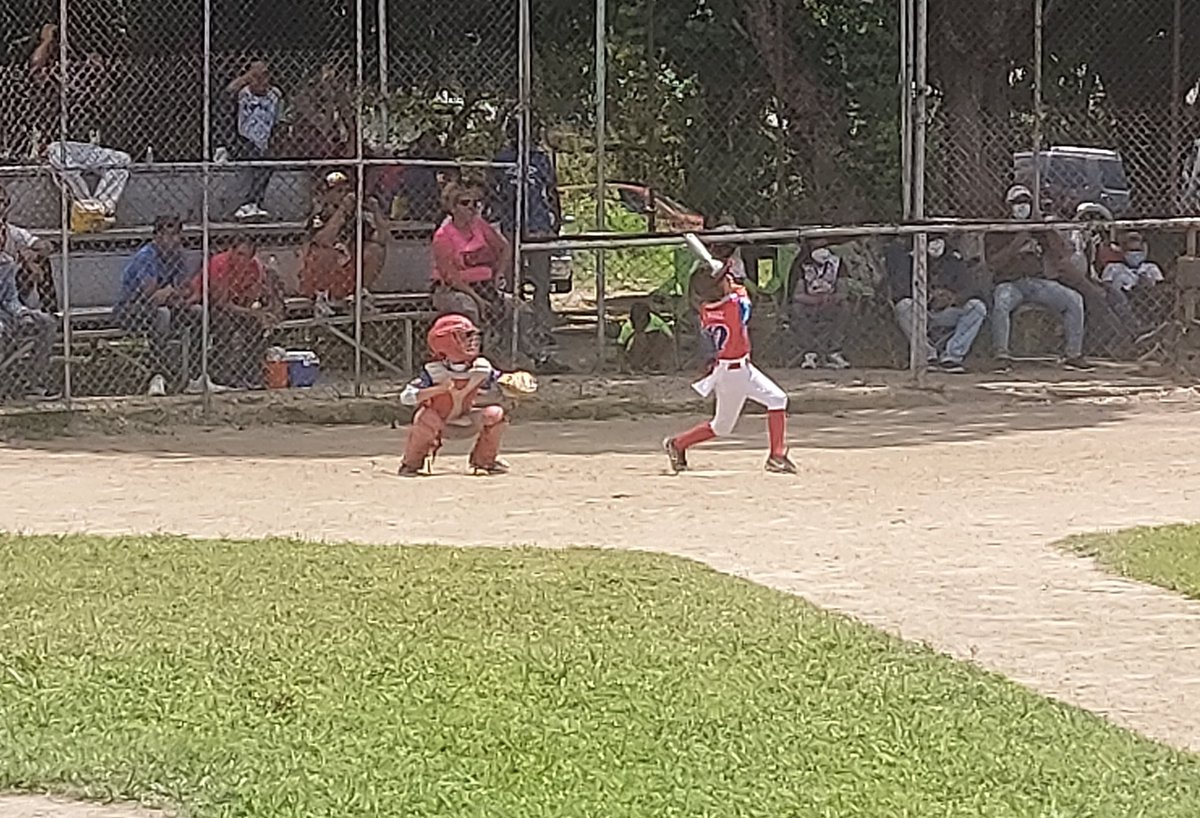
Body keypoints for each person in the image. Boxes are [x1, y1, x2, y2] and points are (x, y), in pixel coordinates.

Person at [663, 244, 795, 475]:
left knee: (775, 400)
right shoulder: (734, 306)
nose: (730, 279)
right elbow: (743, 299)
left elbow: (730, 293)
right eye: (725, 279)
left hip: (737, 369)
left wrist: (722, 279)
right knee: (723, 426)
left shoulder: (706, 309)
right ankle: (678, 443)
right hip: (733, 373)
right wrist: (728, 281)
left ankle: (776, 455)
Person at [30, 24, 129, 225]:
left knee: (121, 159)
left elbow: (103, 98)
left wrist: (100, 72)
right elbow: (35, 68)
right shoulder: (51, 85)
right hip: (57, 144)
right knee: (59, 155)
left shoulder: (86, 89)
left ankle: (101, 207)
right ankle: (87, 208)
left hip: (84, 146)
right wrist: (46, 41)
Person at [985, 185, 1091, 371]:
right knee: (1001, 301)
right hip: (1010, 283)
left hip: (1037, 283)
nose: (1022, 206)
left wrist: (1045, 228)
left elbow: (1062, 253)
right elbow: (993, 263)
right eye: (1017, 202)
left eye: (1026, 202)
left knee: (1074, 300)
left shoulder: (1037, 228)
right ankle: (1001, 354)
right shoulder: (998, 229)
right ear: (1008, 205)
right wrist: (1018, 241)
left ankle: (1073, 354)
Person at [399, 314, 508, 477]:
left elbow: (501, 381)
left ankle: (485, 461)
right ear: (446, 342)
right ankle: (412, 463)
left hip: (467, 419)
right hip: (439, 423)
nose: (472, 341)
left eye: (473, 336)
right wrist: (438, 389)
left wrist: (513, 383)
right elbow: (406, 397)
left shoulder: (482, 367)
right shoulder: (433, 371)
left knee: (495, 414)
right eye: (465, 337)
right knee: (426, 417)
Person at [491, 118, 561, 350]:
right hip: (511, 225)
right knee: (512, 281)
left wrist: (555, 220)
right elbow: (494, 190)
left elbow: (551, 191)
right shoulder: (502, 159)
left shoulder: (540, 159)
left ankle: (542, 328)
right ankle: (513, 330)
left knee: (542, 281)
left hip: (538, 224)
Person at [114, 215, 199, 396]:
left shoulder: (179, 255)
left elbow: (186, 290)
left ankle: (195, 376)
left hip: (165, 306)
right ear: (157, 236)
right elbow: (151, 295)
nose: (173, 240)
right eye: (167, 235)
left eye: (176, 234)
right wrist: (172, 291)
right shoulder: (147, 256)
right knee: (162, 314)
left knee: (198, 312)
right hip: (131, 309)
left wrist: (170, 292)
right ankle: (157, 375)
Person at [886, 235, 987, 374]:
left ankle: (952, 356)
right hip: (921, 311)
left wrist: (952, 298)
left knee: (977, 307)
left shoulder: (954, 260)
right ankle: (927, 355)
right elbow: (900, 289)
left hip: (948, 311)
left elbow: (970, 289)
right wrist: (927, 297)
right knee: (903, 306)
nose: (935, 243)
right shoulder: (908, 258)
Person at [196, 235, 283, 389]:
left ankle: (247, 371)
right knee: (225, 323)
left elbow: (250, 299)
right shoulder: (220, 264)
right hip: (207, 303)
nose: (242, 260)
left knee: (255, 325)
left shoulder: (254, 267)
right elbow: (220, 302)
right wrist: (253, 313)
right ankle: (220, 372)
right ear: (232, 251)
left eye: (247, 256)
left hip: (235, 306)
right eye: (239, 254)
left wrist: (264, 312)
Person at [299, 171, 387, 314]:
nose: (344, 195)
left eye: (346, 191)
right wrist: (342, 211)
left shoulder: (356, 218)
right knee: (326, 252)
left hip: (347, 273)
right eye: (339, 191)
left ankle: (360, 295)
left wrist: (376, 212)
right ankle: (322, 298)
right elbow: (324, 240)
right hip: (321, 276)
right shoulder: (319, 216)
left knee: (375, 249)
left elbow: (382, 239)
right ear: (326, 194)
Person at [431, 179, 512, 327]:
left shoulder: (480, 225)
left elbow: (504, 248)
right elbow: (451, 277)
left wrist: (499, 273)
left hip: (485, 286)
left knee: (518, 308)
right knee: (469, 308)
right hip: (455, 289)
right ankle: (472, 348)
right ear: (453, 208)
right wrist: (477, 299)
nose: (472, 207)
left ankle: (514, 348)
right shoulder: (443, 235)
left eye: (475, 203)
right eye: (465, 203)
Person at [0, 218, 57, 399]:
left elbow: (10, 298)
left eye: (2, 234)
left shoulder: (6, 263)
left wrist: (21, 312)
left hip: (5, 310)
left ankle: (32, 382)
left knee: (47, 323)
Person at [227, 61, 282, 221]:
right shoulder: (243, 93)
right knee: (257, 157)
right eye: (257, 76)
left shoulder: (275, 95)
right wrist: (248, 77)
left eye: (264, 75)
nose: (261, 80)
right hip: (241, 139)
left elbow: (280, 121)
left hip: (264, 140)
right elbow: (228, 91)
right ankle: (250, 203)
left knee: (267, 160)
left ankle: (252, 204)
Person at [788, 239, 851, 369]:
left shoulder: (837, 263)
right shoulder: (800, 264)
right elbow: (797, 295)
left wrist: (831, 298)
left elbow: (843, 291)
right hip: (808, 303)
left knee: (844, 307)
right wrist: (815, 300)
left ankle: (834, 352)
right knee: (797, 309)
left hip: (830, 303)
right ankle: (809, 353)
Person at [0, 186, 57, 313]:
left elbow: (47, 246)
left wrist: (31, 254)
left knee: (42, 261)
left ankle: (51, 312)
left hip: (12, 284)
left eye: (2, 202)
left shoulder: (12, 231)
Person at [1100, 231, 1164, 341]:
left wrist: (1146, 282)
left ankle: (1146, 326)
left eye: (1138, 251)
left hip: (1144, 299)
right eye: (1131, 251)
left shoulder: (1151, 268)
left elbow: (1160, 289)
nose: (1135, 255)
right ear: (1123, 252)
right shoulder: (1114, 268)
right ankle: (1134, 328)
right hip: (1122, 300)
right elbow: (1106, 287)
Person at [617, 302, 674, 373]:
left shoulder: (656, 321)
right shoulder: (627, 327)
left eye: (642, 321)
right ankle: (638, 365)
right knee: (640, 337)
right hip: (634, 353)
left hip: (651, 352)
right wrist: (623, 366)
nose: (639, 324)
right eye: (636, 321)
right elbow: (620, 347)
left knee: (661, 336)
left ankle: (652, 365)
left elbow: (670, 337)